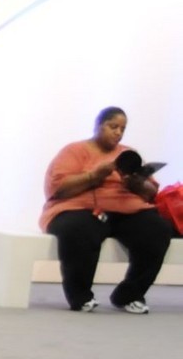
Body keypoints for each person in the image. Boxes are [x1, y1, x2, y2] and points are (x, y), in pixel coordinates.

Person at [41, 106, 170, 312]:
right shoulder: (74, 151)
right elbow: (58, 188)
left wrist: (136, 183)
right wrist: (93, 176)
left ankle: (130, 295)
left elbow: (150, 192)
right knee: (78, 229)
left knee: (157, 230)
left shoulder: (128, 155)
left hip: (126, 209)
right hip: (81, 207)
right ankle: (81, 296)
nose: (118, 132)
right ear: (98, 126)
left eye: (122, 129)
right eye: (113, 126)